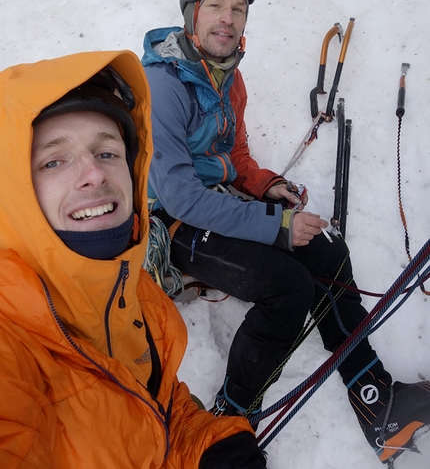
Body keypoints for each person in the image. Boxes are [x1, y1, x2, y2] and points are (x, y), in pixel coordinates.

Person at [141, 0, 430, 466]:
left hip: (218, 203)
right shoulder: (164, 84)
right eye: (215, 6)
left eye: (238, 8)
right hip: (173, 221)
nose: (228, 19)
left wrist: (267, 186)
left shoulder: (229, 77)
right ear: (191, 14)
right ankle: (230, 414)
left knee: (327, 249)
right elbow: (181, 194)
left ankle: (375, 399)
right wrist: (275, 228)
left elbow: (235, 155)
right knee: (287, 286)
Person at [0, 50, 267, 469]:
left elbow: (152, 404)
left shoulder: (136, 293)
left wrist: (207, 444)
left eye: (107, 153)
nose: (94, 173)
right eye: (54, 160)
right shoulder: (10, 347)